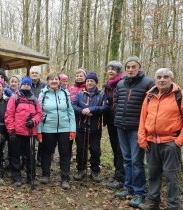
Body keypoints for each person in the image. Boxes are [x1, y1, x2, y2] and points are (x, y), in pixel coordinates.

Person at [137, 68, 183, 210]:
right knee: (152, 175)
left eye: (165, 77)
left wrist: (179, 141)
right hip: (151, 143)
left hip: (171, 143)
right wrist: (142, 139)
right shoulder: (150, 95)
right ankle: (152, 202)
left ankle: (173, 205)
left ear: (172, 79)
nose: (162, 80)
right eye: (159, 77)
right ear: (155, 79)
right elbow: (143, 118)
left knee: (171, 177)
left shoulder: (181, 96)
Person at [114, 56, 154, 208]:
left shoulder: (148, 83)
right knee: (126, 159)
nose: (130, 69)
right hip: (120, 126)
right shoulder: (120, 83)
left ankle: (139, 193)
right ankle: (128, 187)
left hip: (137, 128)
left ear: (139, 68)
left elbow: (152, 106)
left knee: (137, 161)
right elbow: (117, 102)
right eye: (128, 67)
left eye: (133, 67)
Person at [38, 72, 76, 190]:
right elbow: (38, 113)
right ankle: (45, 174)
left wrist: (72, 129)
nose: (54, 81)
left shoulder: (65, 93)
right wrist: (39, 131)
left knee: (65, 152)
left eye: (56, 79)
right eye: (51, 79)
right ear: (48, 81)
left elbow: (70, 111)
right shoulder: (43, 94)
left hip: (64, 128)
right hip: (47, 128)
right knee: (47, 152)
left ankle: (65, 178)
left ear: (59, 81)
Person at [4, 77, 42, 187]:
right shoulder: (14, 97)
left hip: (30, 132)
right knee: (15, 155)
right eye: (24, 84)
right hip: (17, 132)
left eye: (28, 84)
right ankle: (16, 177)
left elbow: (39, 114)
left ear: (30, 86)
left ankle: (31, 177)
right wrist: (11, 130)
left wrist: (34, 121)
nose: (26, 86)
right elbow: (9, 114)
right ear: (21, 85)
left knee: (30, 156)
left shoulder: (35, 99)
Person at [72, 71, 108, 182]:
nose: (89, 83)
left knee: (95, 150)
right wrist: (82, 111)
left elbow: (105, 107)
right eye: (88, 81)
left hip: (95, 128)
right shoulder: (80, 94)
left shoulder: (101, 94)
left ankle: (95, 171)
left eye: (92, 81)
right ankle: (80, 169)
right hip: (81, 127)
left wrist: (92, 110)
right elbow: (73, 106)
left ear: (96, 82)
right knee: (81, 149)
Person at [103, 61, 125, 189]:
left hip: (121, 121)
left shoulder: (123, 83)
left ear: (119, 71)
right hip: (111, 120)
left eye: (113, 69)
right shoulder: (107, 85)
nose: (110, 71)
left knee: (120, 149)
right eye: (109, 69)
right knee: (114, 147)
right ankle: (118, 173)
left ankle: (121, 177)